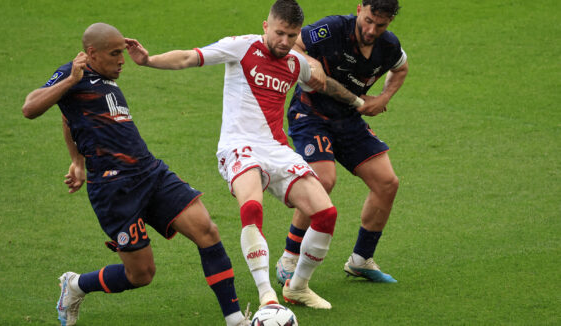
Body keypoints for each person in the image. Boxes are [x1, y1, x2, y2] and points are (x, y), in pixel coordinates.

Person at [125, 0, 374, 310]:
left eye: (291, 35)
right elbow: (189, 57)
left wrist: (360, 103)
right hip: (238, 146)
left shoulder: (296, 62)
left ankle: (297, 287)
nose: (284, 42)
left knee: (326, 213)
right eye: (279, 33)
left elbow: (323, 83)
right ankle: (266, 294)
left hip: (277, 149)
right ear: (265, 26)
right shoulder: (241, 47)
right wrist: (148, 60)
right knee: (252, 208)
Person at [22, 23, 250, 326]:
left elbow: (68, 117)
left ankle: (235, 320)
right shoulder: (73, 74)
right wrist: (70, 81)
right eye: (114, 54)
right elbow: (30, 108)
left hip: (150, 171)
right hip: (114, 188)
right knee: (141, 274)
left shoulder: (105, 77)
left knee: (207, 231)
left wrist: (76, 161)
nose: (121, 60)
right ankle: (76, 285)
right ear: (92, 53)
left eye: (122, 53)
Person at [276, 0, 409, 285]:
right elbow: (295, 46)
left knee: (387, 182)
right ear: (360, 8)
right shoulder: (332, 29)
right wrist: (309, 61)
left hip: (348, 120)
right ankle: (289, 256)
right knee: (322, 181)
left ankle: (361, 260)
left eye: (381, 25)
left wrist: (383, 98)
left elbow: (401, 68)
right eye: (369, 20)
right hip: (310, 114)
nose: (372, 30)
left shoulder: (389, 46)